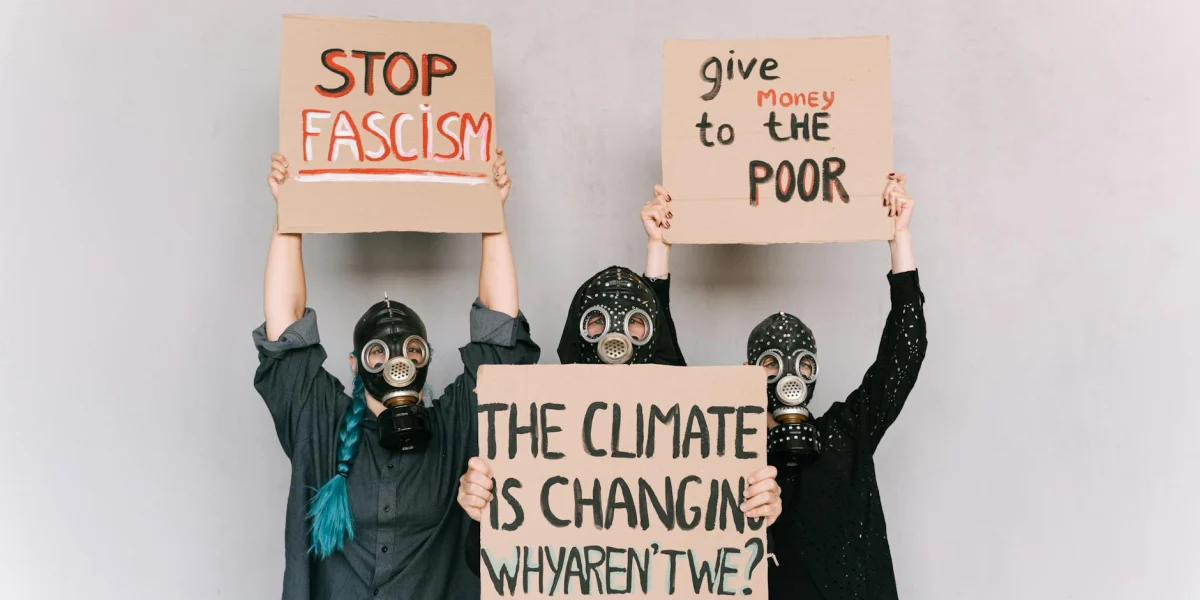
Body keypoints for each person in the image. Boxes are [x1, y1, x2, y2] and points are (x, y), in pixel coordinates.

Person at [252, 149, 539, 599]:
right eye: (378, 354)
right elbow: (285, 330)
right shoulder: (320, 422)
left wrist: (492, 215)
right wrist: (289, 210)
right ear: (355, 364)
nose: (396, 364)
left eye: (411, 350)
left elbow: (498, 337)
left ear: (427, 358)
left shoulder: (456, 426)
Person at [456, 184, 782, 578]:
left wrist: (757, 511)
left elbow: (733, 560)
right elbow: (488, 564)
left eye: (634, 324)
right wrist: (482, 510)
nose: (616, 337)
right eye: (597, 321)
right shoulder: (536, 433)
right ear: (578, 332)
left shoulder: (691, 434)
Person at [747, 173, 928, 599]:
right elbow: (663, 397)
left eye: (802, 364)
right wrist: (660, 247)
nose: (789, 378)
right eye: (771, 363)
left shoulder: (846, 433)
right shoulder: (730, 453)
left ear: (814, 372)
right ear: (747, 370)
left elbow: (904, 354)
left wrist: (898, 238)